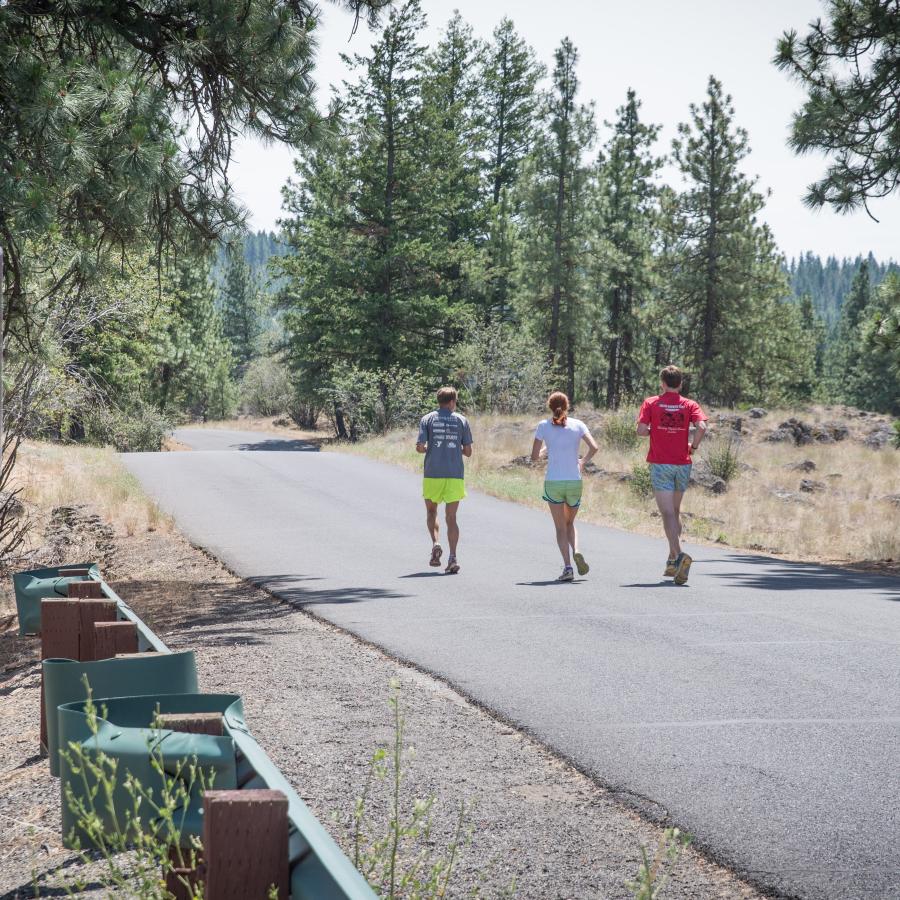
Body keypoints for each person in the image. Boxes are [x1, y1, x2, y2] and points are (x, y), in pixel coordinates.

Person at [636, 365, 708, 585]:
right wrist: (693, 447)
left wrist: (654, 430)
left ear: (662, 383)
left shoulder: (651, 403)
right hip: (682, 464)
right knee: (675, 511)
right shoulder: (690, 404)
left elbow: (640, 431)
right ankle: (670, 561)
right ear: (681, 383)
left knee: (666, 513)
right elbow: (702, 427)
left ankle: (679, 556)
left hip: (660, 463)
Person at [531, 391, 598, 582]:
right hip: (574, 481)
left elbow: (535, 457)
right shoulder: (578, 424)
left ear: (550, 406)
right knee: (570, 523)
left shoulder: (543, 426)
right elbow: (594, 447)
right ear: (567, 406)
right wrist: (582, 461)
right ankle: (576, 550)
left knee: (560, 527)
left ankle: (568, 567)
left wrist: (547, 449)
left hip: (554, 482)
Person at [416, 386, 473, 574]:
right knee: (452, 517)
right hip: (455, 474)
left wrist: (430, 449)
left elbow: (420, 447)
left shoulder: (427, 419)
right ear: (452, 402)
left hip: (433, 472)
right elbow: (468, 452)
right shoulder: (461, 420)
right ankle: (453, 557)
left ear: (439, 401)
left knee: (432, 512)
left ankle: (436, 543)